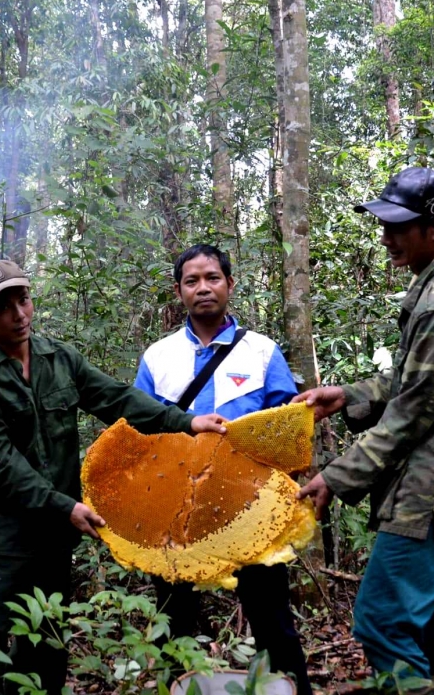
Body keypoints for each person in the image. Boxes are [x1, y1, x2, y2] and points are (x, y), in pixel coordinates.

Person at [0, 259, 227, 695]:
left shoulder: (60, 360)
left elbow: (116, 399)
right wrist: (67, 506)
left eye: (23, 300)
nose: (19, 315)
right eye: (3, 308)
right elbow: (0, 464)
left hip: (53, 541)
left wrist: (184, 423)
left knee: (45, 656)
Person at [294, 167, 434, 695]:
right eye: (384, 224)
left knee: (383, 623)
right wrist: (351, 395)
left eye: (398, 226)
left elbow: (411, 415)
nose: (386, 237)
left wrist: (336, 477)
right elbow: (425, 381)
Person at [135, 244, 313, 695]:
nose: (203, 288)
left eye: (212, 278)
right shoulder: (158, 356)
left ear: (230, 285)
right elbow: (141, 432)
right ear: (179, 292)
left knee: (273, 621)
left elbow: (285, 433)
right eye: (191, 281)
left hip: (250, 512)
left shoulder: (260, 351)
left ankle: (292, 689)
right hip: (178, 514)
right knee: (175, 621)